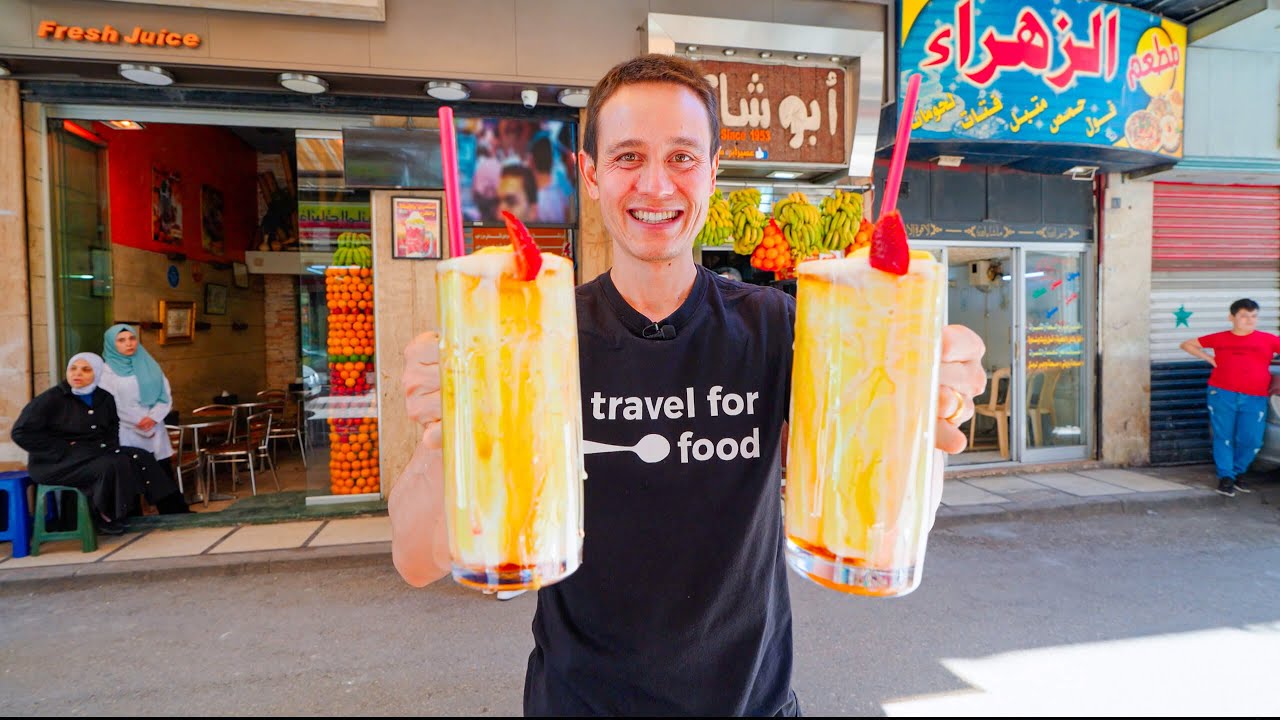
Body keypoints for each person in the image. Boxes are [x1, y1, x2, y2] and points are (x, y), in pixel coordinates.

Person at [389, 54, 987, 716]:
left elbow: (896, 508)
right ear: (590, 174)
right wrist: (447, 430)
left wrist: (925, 412)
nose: (656, 184)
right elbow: (418, 561)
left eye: (681, 157)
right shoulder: (530, 334)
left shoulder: (779, 326)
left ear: (712, 171)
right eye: (626, 157)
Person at [12, 353, 143, 535]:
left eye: (86, 369)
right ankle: (101, 516)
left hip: (86, 457)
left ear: (97, 373)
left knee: (128, 459)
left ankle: (120, 513)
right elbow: (20, 432)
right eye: (73, 369)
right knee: (106, 466)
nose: (77, 374)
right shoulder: (51, 399)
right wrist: (61, 447)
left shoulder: (104, 398)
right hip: (53, 464)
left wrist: (111, 448)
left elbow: (112, 427)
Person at [1179, 298, 1280, 496]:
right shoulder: (1220, 338)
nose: (1249, 320)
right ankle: (1226, 478)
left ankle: (1237, 472)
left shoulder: (1268, 339)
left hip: (1255, 396)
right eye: (1244, 316)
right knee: (1224, 437)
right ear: (1231, 317)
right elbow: (1187, 344)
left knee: (1252, 440)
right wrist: (1209, 359)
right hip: (1222, 393)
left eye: (1253, 316)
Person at [99, 324, 189, 514]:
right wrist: (137, 421)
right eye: (121, 340)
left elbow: (164, 394)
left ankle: (174, 512)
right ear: (111, 344)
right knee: (132, 473)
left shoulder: (148, 363)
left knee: (162, 471)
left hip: (154, 426)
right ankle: (134, 517)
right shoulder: (105, 372)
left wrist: (154, 418)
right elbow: (110, 403)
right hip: (127, 429)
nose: (129, 344)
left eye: (132, 339)